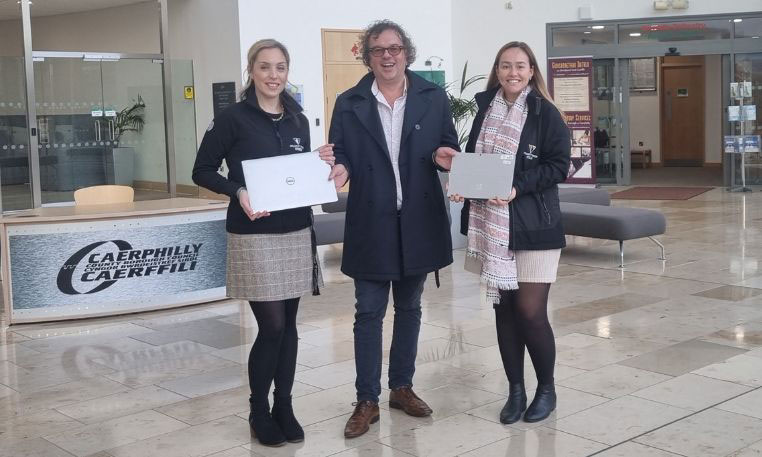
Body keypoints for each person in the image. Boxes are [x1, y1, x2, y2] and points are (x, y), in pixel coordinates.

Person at [192, 39, 334, 447]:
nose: (274, 75)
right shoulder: (232, 119)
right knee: (272, 326)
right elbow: (202, 170)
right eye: (265, 67)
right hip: (253, 235)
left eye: (281, 67)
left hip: (295, 231)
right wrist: (238, 191)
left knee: (289, 326)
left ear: (288, 72)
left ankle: (284, 406)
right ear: (251, 71)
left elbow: (292, 175)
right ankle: (258, 410)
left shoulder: (298, 120)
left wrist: (318, 164)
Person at [327, 20, 459, 438]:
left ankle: (401, 387)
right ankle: (366, 399)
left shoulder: (433, 98)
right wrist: (338, 168)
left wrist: (443, 157)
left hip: (418, 219)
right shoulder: (348, 102)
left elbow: (448, 145)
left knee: (410, 307)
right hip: (371, 221)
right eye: (379, 50)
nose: (388, 56)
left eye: (395, 48)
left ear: (406, 53)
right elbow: (341, 155)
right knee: (368, 311)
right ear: (367, 57)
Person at [449, 41, 570, 424]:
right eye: (505, 65)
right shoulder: (485, 108)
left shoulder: (546, 112)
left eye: (520, 65)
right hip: (493, 226)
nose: (512, 72)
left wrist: (517, 187)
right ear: (497, 71)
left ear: (531, 70)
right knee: (504, 312)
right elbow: (475, 160)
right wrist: (464, 184)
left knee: (530, 312)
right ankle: (515, 391)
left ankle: (546, 389)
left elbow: (559, 165)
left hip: (535, 226)